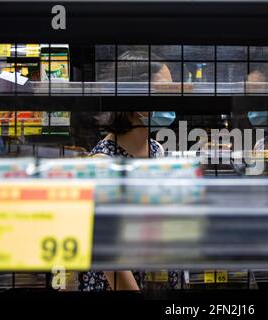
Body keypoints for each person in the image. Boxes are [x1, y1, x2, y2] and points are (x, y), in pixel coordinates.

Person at [77, 49, 176, 292]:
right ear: (135, 94)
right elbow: (107, 255)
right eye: (164, 91)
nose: (174, 99)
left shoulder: (157, 150)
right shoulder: (103, 163)